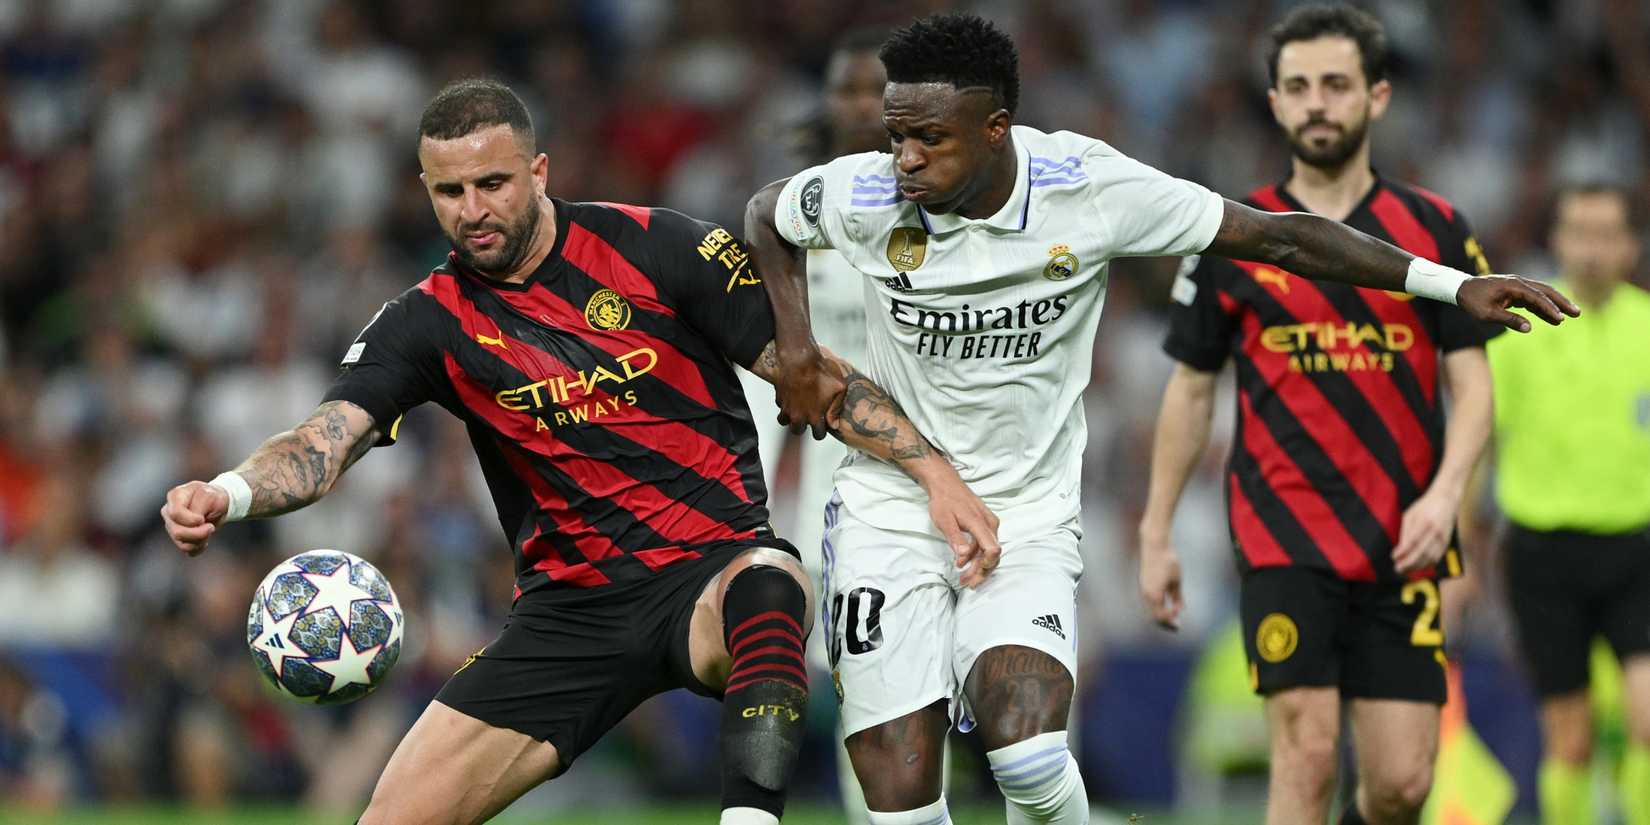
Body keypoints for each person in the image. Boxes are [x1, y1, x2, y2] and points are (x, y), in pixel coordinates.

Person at [743, 12, 1575, 825]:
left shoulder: (1090, 190)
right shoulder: (863, 191)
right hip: (890, 507)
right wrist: (799, 342)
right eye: (896, 135)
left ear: (997, 127)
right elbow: (767, 214)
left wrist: (1448, 285)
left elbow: (1280, 239)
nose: (904, 158)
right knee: (898, 798)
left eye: (929, 137)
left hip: (1024, 513)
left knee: (1029, 759)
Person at [159, 78, 999, 825]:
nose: (472, 208)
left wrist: (934, 473)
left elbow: (815, 379)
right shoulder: (427, 319)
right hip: (568, 614)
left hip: (708, 568)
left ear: (539, 173)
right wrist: (226, 492)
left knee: (773, 586)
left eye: (492, 183)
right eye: (450, 191)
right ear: (427, 191)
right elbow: (321, 440)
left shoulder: (660, 247)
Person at [1135, 5, 1497, 824]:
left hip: (1404, 536)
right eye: (1297, 87)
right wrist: (1156, 530)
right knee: (1302, 756)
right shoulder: (1232, 233)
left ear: (1377, 97)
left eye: (1336, 85)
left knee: (1403, 784)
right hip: (1282, 532)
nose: (1317, 103)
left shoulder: (1434, 229)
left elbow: (1473, 388)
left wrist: (1446, 502)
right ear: (1274, 103)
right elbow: (1191, 388)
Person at [1488, 183, 1650, 825]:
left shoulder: (1648, 327)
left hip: (1637, 549)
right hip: (1541, 553)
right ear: (1555, 240)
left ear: (1632, 245)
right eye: (1579, 232)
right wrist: (1457, 541)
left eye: (1606, 233)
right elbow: (1479, 438)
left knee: (1647, 719)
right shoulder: (1519, 331)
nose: (1591, 249)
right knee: (1571, 738)